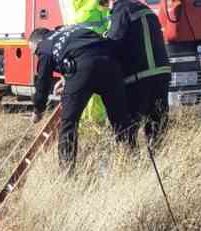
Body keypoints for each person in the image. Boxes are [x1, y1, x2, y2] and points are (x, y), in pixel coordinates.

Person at [30, 25, 132, 174]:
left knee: (69, 123)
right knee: (120, 119)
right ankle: (130, 162)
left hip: (83, 70)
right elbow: (81, 50)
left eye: (34, 52)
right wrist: (66, 77)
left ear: (38, 42)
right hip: (109, 63)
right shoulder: (71, 30)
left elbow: (43, 80)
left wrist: (38, 109)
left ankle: (66, 172)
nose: (36, 55)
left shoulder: (45, 45)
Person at [106, 0, 171, 147]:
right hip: (162, 74)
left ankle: (130, 164)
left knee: (129, 128)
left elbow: (114, 44)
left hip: (139, 78)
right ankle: (160, 159)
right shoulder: (146, 9)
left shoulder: (121, 11)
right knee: (157, 126)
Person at [62, 0, 113, 127]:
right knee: (97, 100)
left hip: (79, 61)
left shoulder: (74, 10)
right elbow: (109, 28)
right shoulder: (99, 6)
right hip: (99, 57)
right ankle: (95, 128)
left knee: (83, 102)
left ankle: (89, 130)